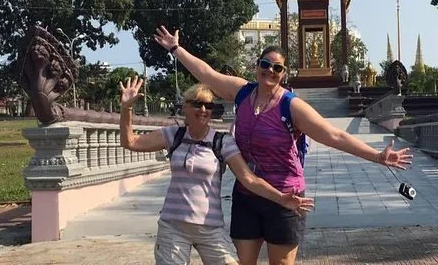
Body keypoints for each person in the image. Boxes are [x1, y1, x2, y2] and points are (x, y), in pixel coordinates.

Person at [153, 26, 413, 265]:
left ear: (283, 73)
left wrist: (377, 156)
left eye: (277, 68)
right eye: (265, 64)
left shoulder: (291, 106)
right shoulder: (242, 93)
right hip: (247, 196)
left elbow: (334, 136)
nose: (270, 71)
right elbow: (207, 74)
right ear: (257, 66)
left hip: (286, 198)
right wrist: (176, 48)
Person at [119, 78, 314, 265]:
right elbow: (130, 142)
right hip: (173, 226)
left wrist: (281, 198)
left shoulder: (222, 142)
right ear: (185, 107)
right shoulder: (173, 135)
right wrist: (126, 108)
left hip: (210, 226)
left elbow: (249, 179)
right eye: (197, 104)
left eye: (208, 105)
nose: (203, 110)